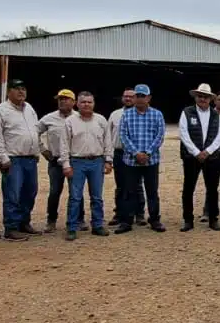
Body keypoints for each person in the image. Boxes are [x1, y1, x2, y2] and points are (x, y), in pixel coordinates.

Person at [0, 79, 42, 240]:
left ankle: (24, 223)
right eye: (17, 89)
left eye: (23, 89)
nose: (21, 92)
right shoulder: (0, 110)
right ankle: (11, 227)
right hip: (13, 159)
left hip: (30, 158)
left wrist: (37, 150)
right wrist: (2, 157)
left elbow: (35, 130)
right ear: (8, 92)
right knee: (13, 194)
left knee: (30, 192)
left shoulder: (29, 108)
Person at [61, 91, 113, 240]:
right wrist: (66, 164)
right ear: (77, 104)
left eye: (89, 102)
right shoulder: (70, 121)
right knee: (75, 197)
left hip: (97, 161)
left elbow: (107, 141)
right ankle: (71, 227)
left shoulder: (101, 120)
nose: (86, 105)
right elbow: (64, 144)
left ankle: (97, 225)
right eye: (83, 102)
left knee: (97, 197)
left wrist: (108, 160)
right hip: (76, 162)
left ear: (94, 104)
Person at [116, 83, 165, 233]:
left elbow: (160, 136)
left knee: (152, 192)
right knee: (129, 192)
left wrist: (147, 153)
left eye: (143, 96)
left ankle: (155, 220)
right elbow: (123, 136)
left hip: (151, 160)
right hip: (131, 161)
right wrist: (136, 153)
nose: (140, 98)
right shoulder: (126, 115)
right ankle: (127, 222)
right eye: (137, 95)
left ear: (149, 97)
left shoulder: (157, 114)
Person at [178, 83, 220, 232]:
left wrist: (208, 151)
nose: (202, 99)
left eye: (205, 96)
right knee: (188, 189)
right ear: (196, 97)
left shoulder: (216, 114)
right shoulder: (187, 112)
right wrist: (196, 152)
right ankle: (188, 220)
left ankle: (213, 219)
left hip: (211, 158)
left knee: (212, 189)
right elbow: (183, 134)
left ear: (210, 99)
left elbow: (219, 135)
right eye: (200, 96)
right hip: (191, 157)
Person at [38, 89, 75, 231]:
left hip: (74, 160)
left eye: (66, 98)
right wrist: (43, 149)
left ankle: (78, 219)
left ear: (73, 102)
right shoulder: (48, 118)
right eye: (60, 99)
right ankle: (51, 220)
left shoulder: (78, 117)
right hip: (55, 160)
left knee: (75, 192)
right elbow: (33, 132)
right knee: (54, 191)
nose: (62, 101)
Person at [109, 88, 138, 227]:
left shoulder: (140, 114)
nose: (128, 99)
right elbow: (108, 136)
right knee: (120, 185)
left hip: (135, 154)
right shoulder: (115, 115)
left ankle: (139, 214)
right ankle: (119, 213)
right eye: (125, 96)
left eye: (131, 97)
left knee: (137, 185)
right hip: (119, 153)